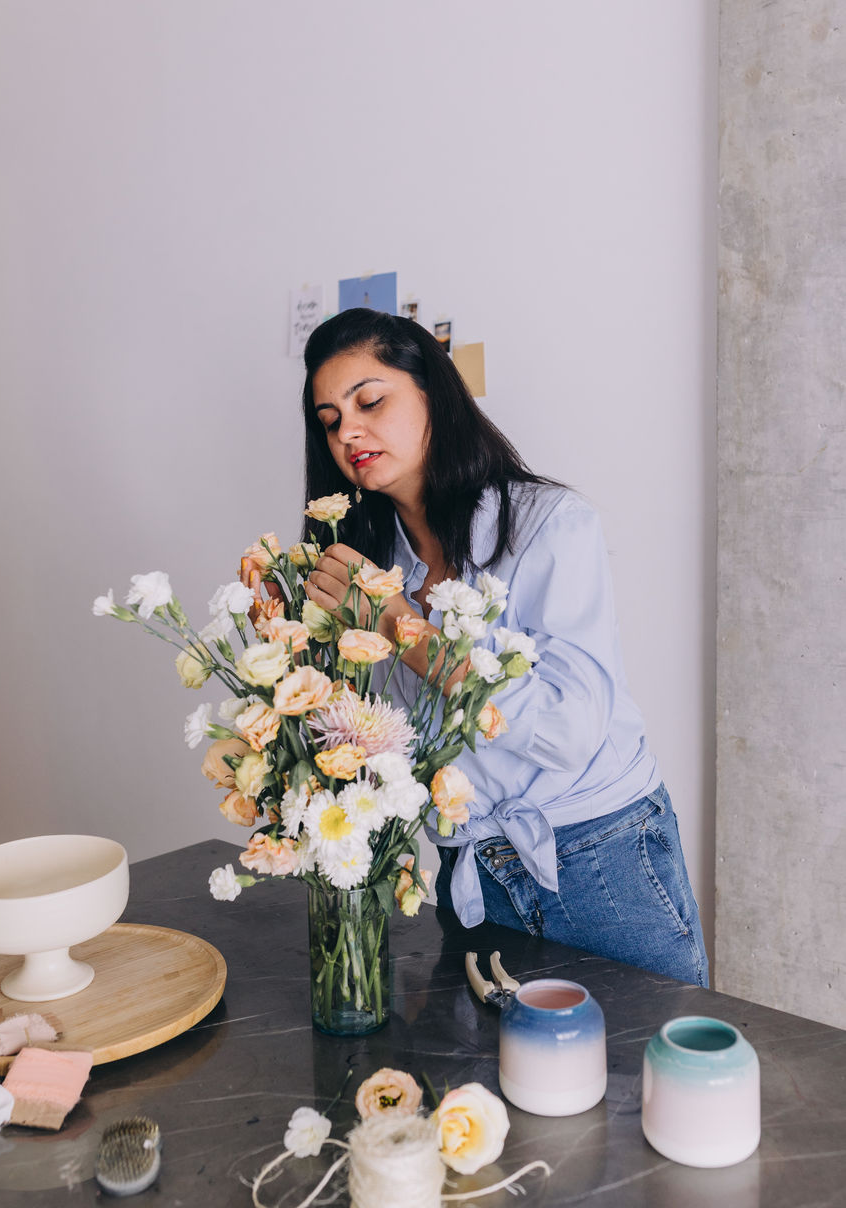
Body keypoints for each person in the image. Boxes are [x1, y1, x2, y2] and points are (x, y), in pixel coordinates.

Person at [299, 307, 708, 986]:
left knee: (648, 1081)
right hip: (468, 870)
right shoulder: (369, 562)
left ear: (433, 392)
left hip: (599, 855)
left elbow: (568, 732)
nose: (348, 431)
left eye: (369, 400)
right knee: (488, 1088)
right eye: (329, 419)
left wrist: (400, 624)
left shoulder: (551, 526)